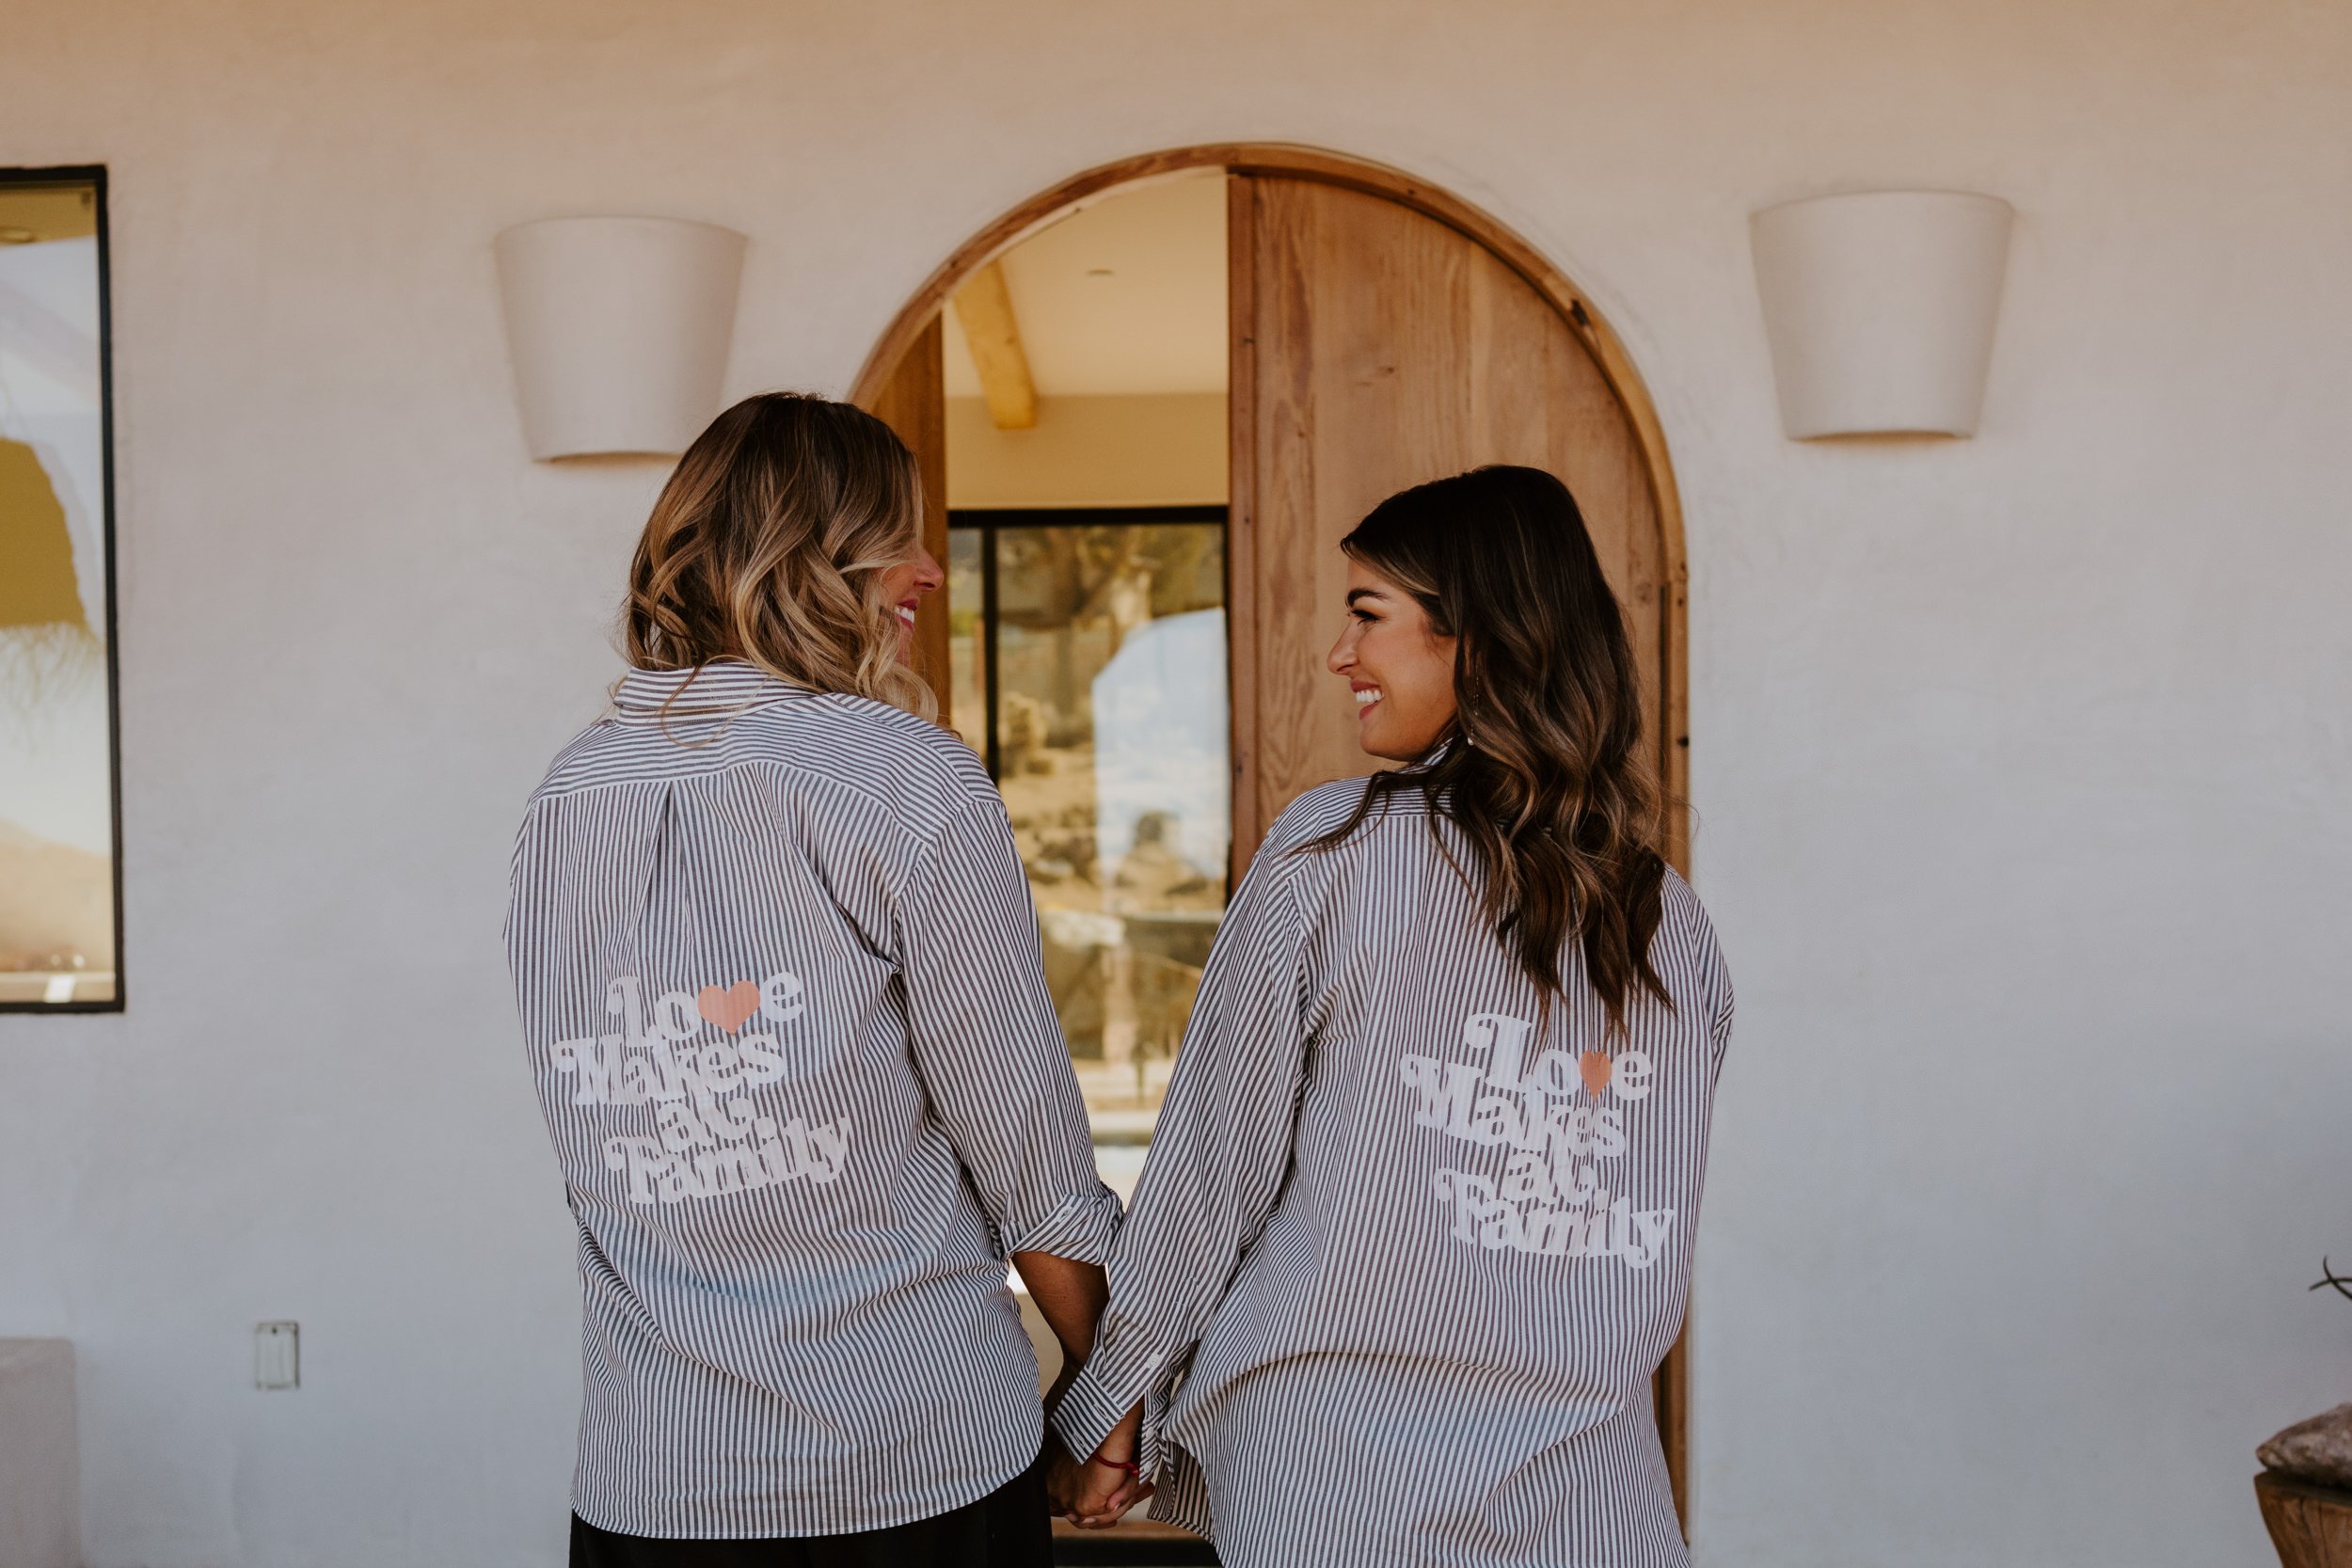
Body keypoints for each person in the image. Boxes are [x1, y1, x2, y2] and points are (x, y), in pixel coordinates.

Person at [1048, 466, 1735, 1566]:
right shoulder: (1673, 925)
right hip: (1589, 1497)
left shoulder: (1333, 854)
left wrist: (1108, 1403)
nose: (1338, 654)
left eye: (1368, 614)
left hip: (1338, 1482)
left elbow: (1211, 1169)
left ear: (1476, 637)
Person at [506, 393, 1120, 1568]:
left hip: (659, 1480)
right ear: (812, 555)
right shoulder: (900, 776)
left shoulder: (565, 796)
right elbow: (1028, 1153)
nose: (929, 571)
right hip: (909, 1462)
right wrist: (1112, 1385)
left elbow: (603, 1137)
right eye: (899, 536)